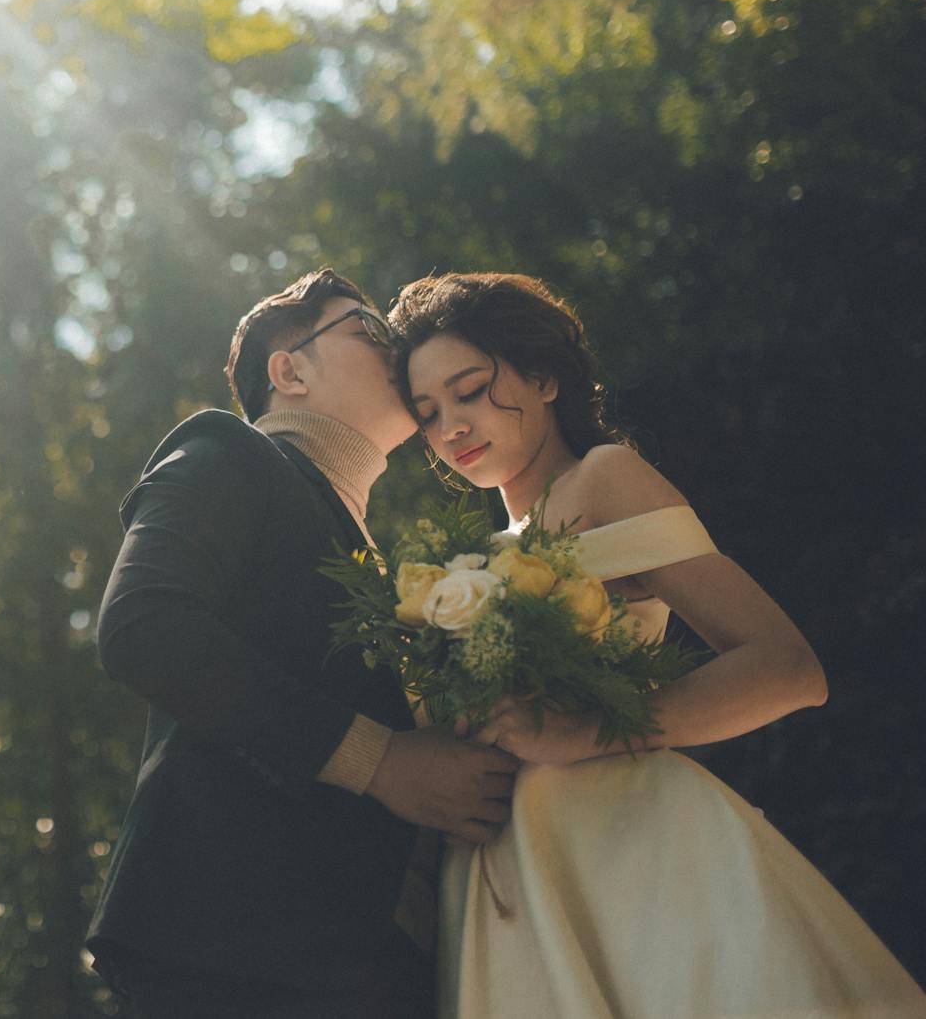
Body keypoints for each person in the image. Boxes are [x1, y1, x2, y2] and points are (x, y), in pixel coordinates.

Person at [387, 270, 926, 1018]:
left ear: (543, 376)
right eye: (427, 411)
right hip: (511, 882)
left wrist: (587, 731)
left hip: (634, 854)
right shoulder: (475, 559)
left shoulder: (604, 478)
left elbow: (789, 667)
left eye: (471, 388)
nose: (451, 426)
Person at [86, 269, 522, 1019]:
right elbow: (143, 623)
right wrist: (380, 760)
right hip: (236, 960)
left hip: (370, 971)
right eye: (370, 331)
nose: (401, 347)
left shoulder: (374, 560)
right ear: (288, 370)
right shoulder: (227, 450)